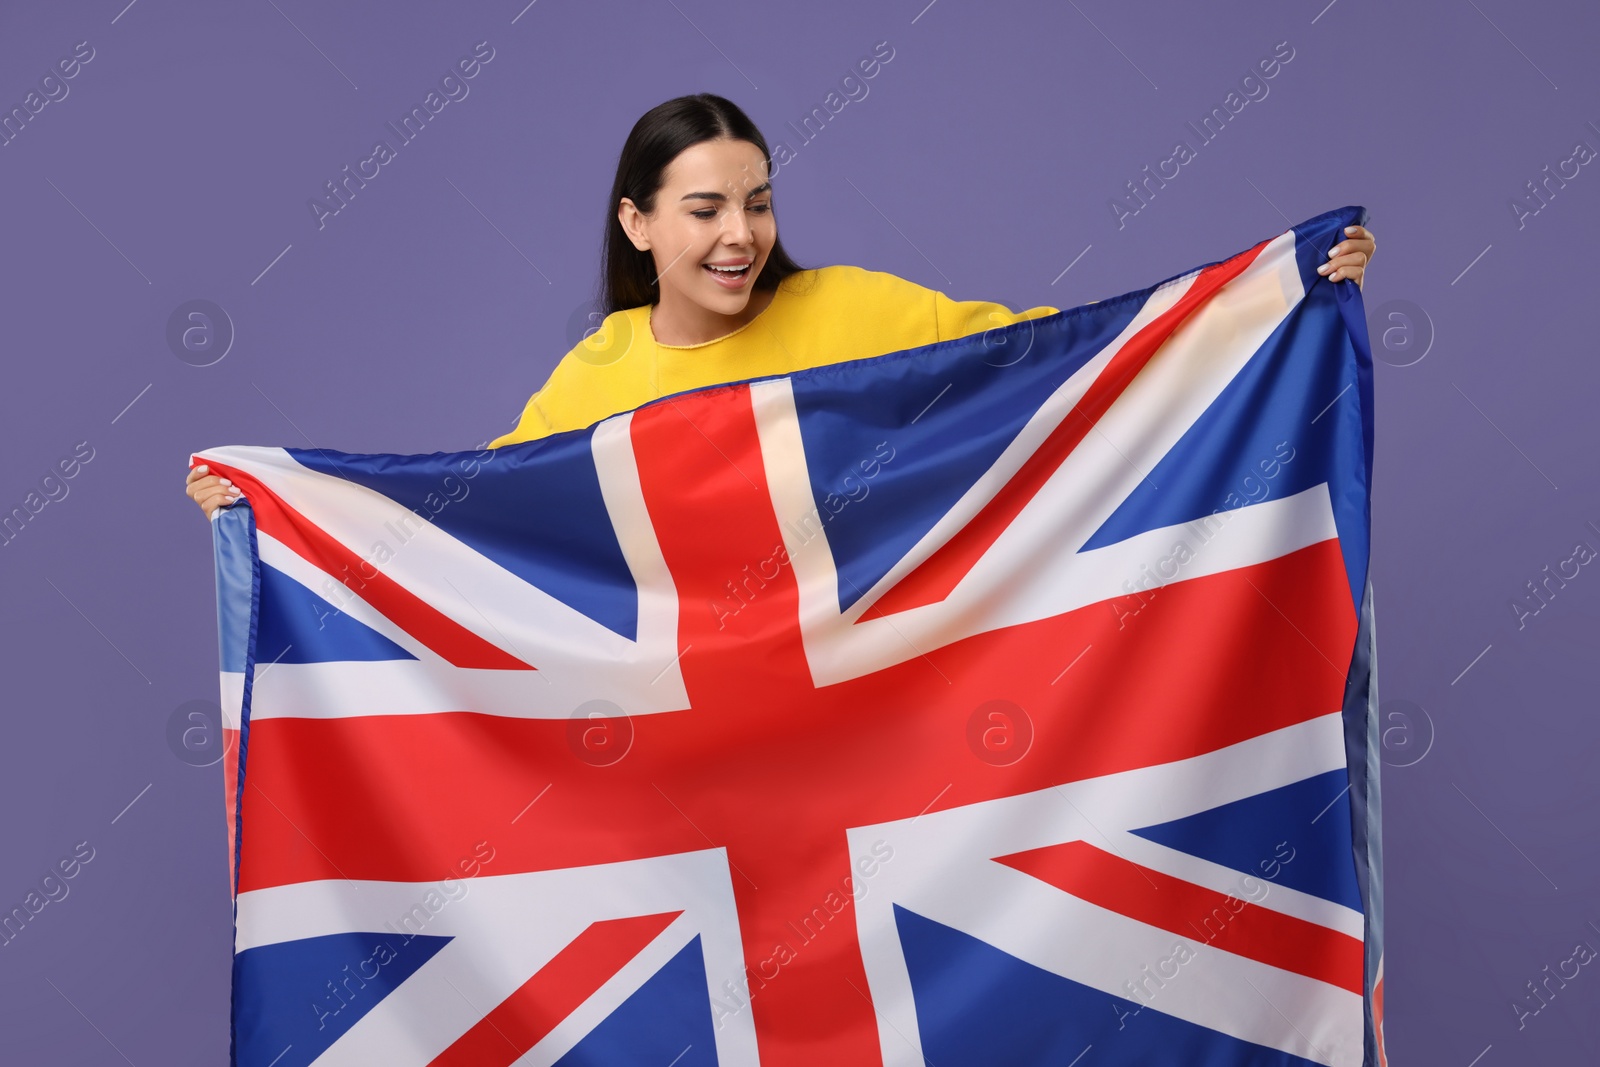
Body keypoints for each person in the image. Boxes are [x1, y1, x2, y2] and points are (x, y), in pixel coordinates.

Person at [185, 93, 1375, 515]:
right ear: (637, 222)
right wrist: (275, 509)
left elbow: (1062, 365)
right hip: (709, 748)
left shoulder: (855, 309)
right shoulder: (592, 382)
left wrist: (1261, 305)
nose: (741, 235)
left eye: (754, 201)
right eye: (702, 208)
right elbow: (468, 524)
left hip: (884, 703)